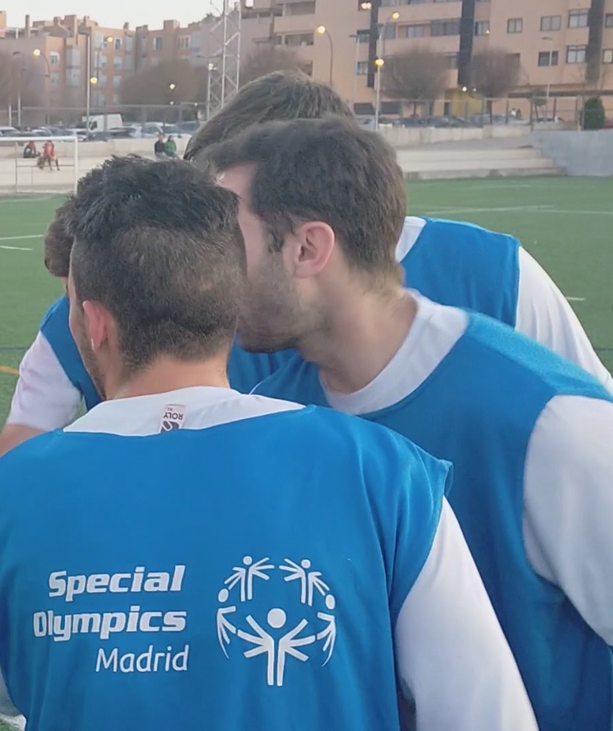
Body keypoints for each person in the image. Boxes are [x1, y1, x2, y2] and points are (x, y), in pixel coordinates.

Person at [0, 156, 532, 730]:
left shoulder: (3, 498)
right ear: (228, 308)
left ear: (95, 324)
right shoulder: (384, 473)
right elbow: (484, 709)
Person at [0, 70, 609, 468]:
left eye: (227, 210)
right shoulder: (136, 296)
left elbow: (591, 428)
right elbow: (14, 460)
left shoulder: (493, 274)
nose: (209, 239)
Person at [208, 117, 613, 731]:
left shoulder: (548, 423)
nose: (209, 273)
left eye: (227, 243)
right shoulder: (272, 417)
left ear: (309, 249)